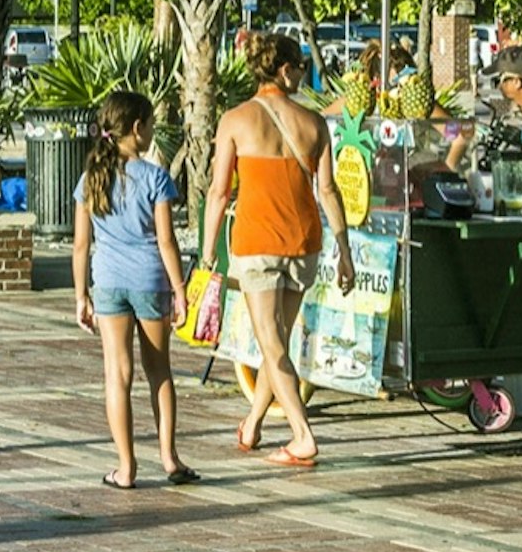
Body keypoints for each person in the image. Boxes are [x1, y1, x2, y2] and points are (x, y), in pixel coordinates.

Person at [199, 32, 356, 469]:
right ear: (285, 70)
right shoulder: (315, 123)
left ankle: (303, 435)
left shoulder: (235, 120)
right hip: (304, 241)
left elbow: (219, 192)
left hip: (257, 241)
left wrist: (209, 251)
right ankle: (252, 422)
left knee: (271, 342)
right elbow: (328, 189)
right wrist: (344, 250)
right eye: (301, 68)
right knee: (278, 341)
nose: (303, 76)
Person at [72, 88, 190, 489]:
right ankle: (170, 458)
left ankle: (125, 467)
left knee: (116, 375)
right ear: (138, 129)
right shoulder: (155, 178)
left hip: (107, 281)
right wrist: (180, 289)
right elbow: (166, 241)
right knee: (159, 372)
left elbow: (80, 245)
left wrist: (80, 296)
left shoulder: (91, 179)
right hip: (150, 281)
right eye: (152, 124)